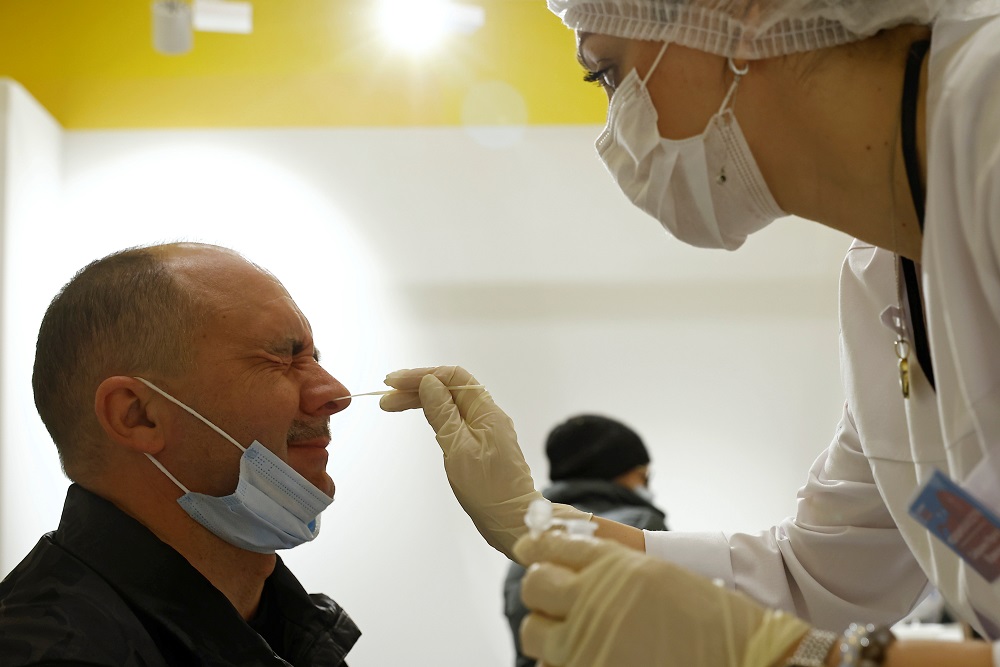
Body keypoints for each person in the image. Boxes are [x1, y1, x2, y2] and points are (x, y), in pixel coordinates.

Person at [380, 0, 1000, 665]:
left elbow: (793, 624)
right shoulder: (883, 279)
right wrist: (529, 517)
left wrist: (802, 656)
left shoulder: (988, 121)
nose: (615, 134)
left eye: (607, 73)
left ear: (742, 13)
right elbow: (808, 578)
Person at [0, 243, 361, 666]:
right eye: (281, 359)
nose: (336, 394)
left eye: (313, 358)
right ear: (138, 416)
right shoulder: (47, 652)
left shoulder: (287, 629)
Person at [502, 414, 668, 667]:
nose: (647, 485)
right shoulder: (640, 527)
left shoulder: (533, 535)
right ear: (617, 471)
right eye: (643, 475)